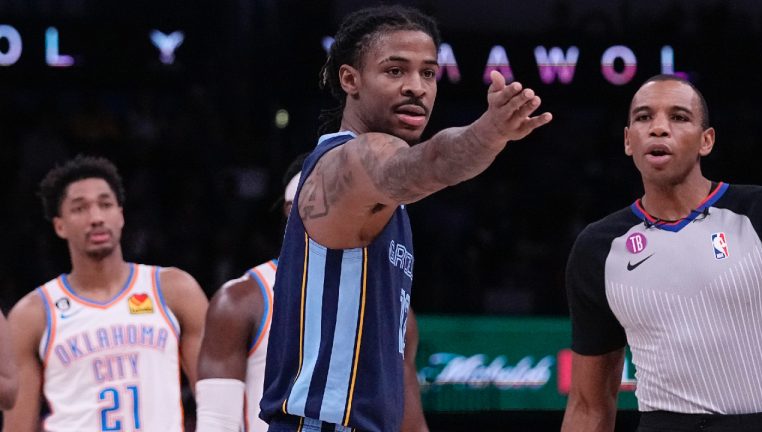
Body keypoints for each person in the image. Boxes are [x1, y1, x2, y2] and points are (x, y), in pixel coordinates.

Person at [260, 5, 551, 432]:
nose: (417, 87)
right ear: (350, 79)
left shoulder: (383, 194)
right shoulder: (350, 160)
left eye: (428, 73)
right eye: (395, 71)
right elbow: (426, 162)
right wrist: (489, 133)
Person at [561, 75, 762, 432]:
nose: (658, 129)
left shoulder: (759, 212)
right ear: (628, 141)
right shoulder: (598, 248)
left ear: (707, 141)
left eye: (679, 117)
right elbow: (589, 406)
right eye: (643, 118)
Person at [196, 154, 429, 432]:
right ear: (293, 211)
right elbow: (216, 424)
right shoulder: (242, 299)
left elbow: (410, 423)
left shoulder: (388, 303)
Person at [3, 155, 209, 431]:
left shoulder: (174, 289)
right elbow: (18, 427)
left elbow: (217, 406)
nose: (96, 217)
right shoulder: (33, 314)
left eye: (105, 204)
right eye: (80, 208)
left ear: (121, 214)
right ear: (59, 226)